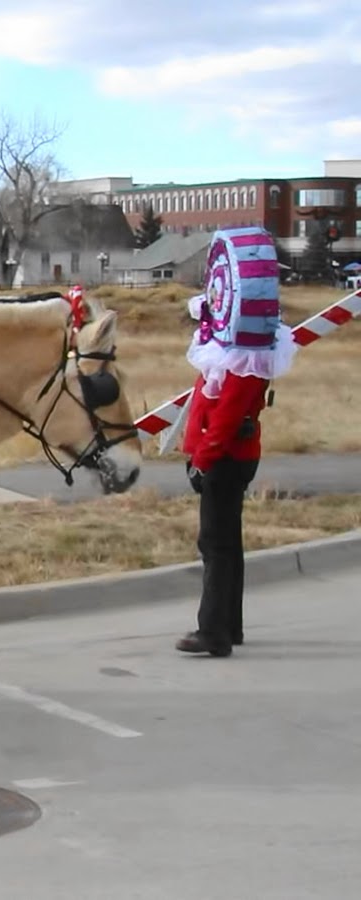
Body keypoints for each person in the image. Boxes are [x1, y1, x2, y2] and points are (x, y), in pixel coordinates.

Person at [175, 226, 297, 657]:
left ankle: (214, 632)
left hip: (225, 457)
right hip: (231, 455)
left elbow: (224, 417)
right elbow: (207, 401)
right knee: (228, 541)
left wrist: (202, 460)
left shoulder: (243, 359)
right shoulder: (241, 351)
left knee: (217, 544)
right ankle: (231, 624)